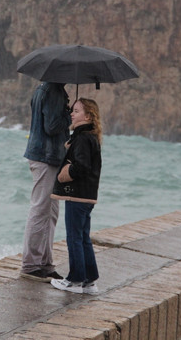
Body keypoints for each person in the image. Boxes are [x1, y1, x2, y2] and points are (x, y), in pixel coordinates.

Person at [50, 98, 102, 295]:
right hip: (87, 196)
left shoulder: (82, 138)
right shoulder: (89, 137)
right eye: (72, 110)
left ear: (88, 116)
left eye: (77, 111)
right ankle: (89, 280)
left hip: (78, 196)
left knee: (74, 237)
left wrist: (65, 174)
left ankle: (75, 280)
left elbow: (81, 166)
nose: (72, 113)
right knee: (83, 237)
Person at [21, 81, 71, 281]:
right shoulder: (52, 91)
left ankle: (45, 263)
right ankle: (32, 264)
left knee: (50, 211)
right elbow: (51, 127)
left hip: (46, 156)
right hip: (45, 157)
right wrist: (69, 115)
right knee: (41, 208)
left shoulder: (47, 89)